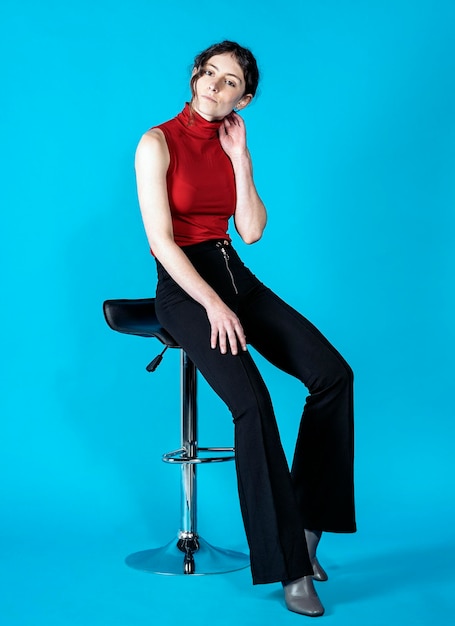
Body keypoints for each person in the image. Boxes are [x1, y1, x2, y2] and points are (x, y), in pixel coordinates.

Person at [135, 40, 355, 617]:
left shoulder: (232, 140)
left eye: (229, 81)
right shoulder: (156, 142)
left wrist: (242, 160)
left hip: (234, 270)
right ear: (194, 75)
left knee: (332, 375)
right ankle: (289, 567)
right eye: (208, 73)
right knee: (254, 406)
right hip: (183, 286)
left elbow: (251, 232)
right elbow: (161, 241)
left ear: (245, 98)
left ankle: (308, 529)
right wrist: (211, 305)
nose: (213, 85)